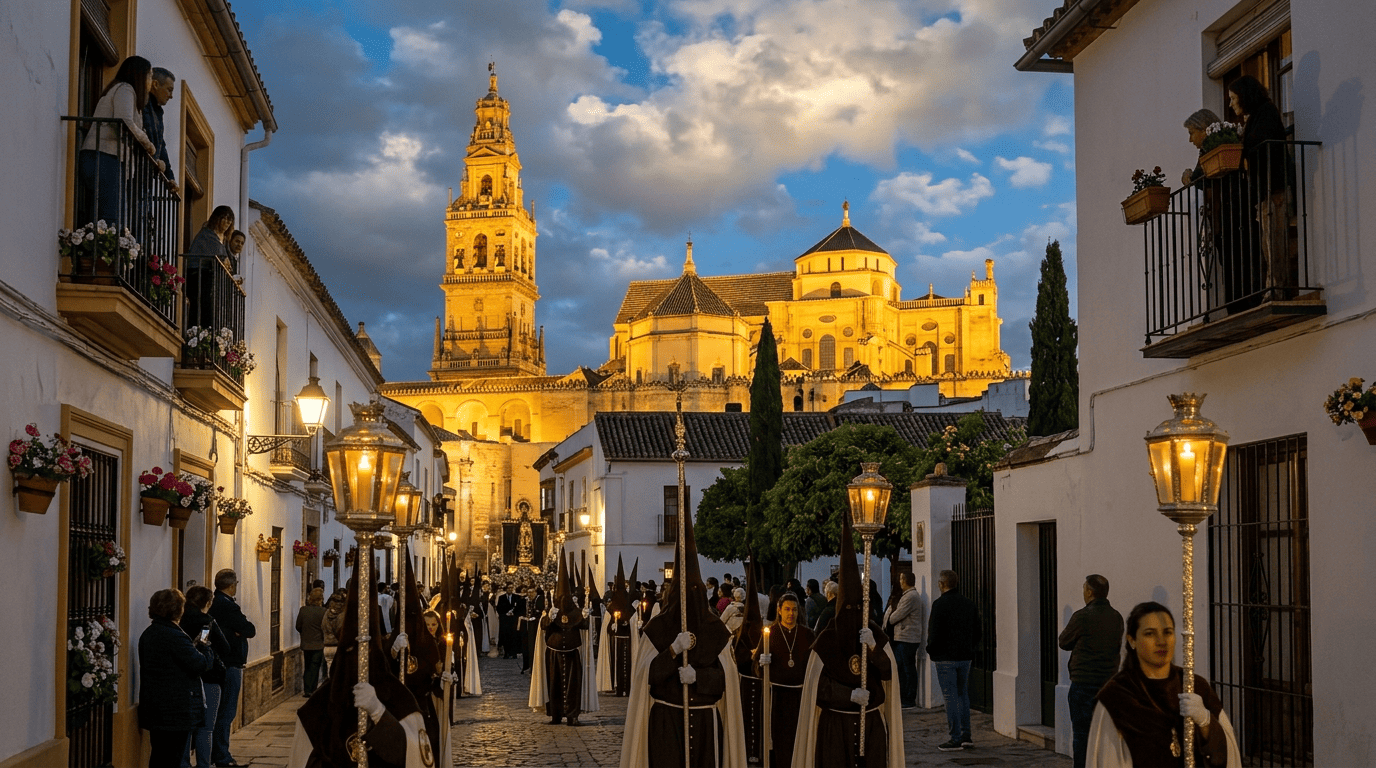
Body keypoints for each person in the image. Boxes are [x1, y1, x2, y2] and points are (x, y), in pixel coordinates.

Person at [620, 498, 746, 768]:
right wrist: (673, 651)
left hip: (704, 723)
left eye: (694, 594)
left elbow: (726, 681)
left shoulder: (716, 632)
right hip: (666, 721)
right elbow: (647, 677)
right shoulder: (657, 629)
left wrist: (697, 676)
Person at [792, 510, 903, 767]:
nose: (854, 615)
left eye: (858, 609)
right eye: (849, 610)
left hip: (871, 725)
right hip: (836, 728)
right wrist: (849, 695)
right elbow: (817, 689)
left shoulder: (873, 632)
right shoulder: (826, 640)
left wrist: (874, 650)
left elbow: (889, 674)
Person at [1088, 601, 1241, 767]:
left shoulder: (1196, 687)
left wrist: (1206, 722)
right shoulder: (1117, 697)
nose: (1161, 641)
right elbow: (1108, 760)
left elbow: (1230, 756)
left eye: (1167, 632)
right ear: (1132, 641)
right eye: (1150, 634)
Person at [1228, 75, 1293, 296]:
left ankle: (1276, 287)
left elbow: (1262, 146)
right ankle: (1272, 286)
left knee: (1274, 241)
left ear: (1244, 96)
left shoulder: (1266, 112)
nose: (1231, 103)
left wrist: (1241, 148)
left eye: (1233, 98)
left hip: (1273, 188)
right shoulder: (1257, 115)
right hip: (1264, 190)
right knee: (1268, 242)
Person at [78, 56, 159, 228]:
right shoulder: (125, 89)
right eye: (150, 75)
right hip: (104, 156)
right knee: (111, 215)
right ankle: (104, 251)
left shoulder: (125, 92)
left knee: (108, 213)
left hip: (104, 157)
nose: (151, 81)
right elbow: (125, 122)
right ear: (140, 75)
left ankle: (98, 247)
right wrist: (147, 143)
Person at [139, 589, 213, 768]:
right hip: (175, 711)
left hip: (155, 707)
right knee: (172, 758)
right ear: (178, 609)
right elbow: (199, 665)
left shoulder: (149, 633)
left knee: (159, 756)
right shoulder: (175, 636)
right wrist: (204, 647)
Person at [1058, 574, 1125, 768]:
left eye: (1084, 589)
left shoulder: (1082, 616)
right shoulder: (1116, 617)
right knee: (1104, 736)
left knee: (1082, 735)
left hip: (1083, 683)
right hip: (1108, 682)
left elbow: (1064, 641)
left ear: (1089, 592)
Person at [756, 591, 814, 768]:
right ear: (779, 610)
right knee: (779, 739)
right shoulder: (770, 633)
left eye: (794, 610)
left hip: (800, 696)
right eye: (787, 609)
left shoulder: (808, 634)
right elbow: (756, 667)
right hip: (777, 697)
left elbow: (815, 665)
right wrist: (761, 664)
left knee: (799, 738)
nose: (791, 614)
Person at [531, 555, 589, 725]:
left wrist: (585, 617)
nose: (564, 601)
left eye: (567, 598)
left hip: (571, 653)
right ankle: (555, 714)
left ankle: (572, 715)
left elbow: (583, 626)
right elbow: (543, 626)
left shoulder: (576, 611)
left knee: (573, 686)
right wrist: (549, 617)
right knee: (554, 685)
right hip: (554, 654)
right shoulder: (551, 609)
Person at [927, 569, 981, 752]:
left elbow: (933, 632)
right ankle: (966, 735)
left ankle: (955, 738)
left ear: (942, 584)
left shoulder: (939, 604)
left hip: (945, 658)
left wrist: (931, 650)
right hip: (965, 657)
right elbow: (977, 632)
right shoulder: (969, 604)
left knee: (950, 697)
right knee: (962, 695)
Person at [208, 568, 255, 768]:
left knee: (220, 711)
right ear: (231, 585)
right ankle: (222, 756)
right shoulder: (227, 606)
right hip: (230, 665)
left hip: (221, 664)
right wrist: (237, 632)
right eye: (235, 583)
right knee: (226, 712)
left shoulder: (213, 604)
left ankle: (216, 752)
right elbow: (249, 629)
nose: (236, 586)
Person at [178, 586, 230, 768]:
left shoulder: (179, 620)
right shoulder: (206, 622)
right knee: (206, 728)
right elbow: (220, 646)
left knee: (186, 728)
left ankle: (184, 763)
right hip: (208, 677)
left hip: (184, 678)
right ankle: (203, 764)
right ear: (207, 603)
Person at [882, 571, 923, 710]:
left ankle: (909, 698)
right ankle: (903, 696)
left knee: (907, 669)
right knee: (901, 667)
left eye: (901, 579)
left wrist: (890, 617)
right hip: (903, 638)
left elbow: (895, 617)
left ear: (905, 581)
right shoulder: (908, 596)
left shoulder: (910, 597)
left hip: (907, 638)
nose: (899, 582)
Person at [142, 67, 175, 184]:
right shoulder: (142, 102)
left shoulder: (158, 112)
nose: (171, 96)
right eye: (169, 90)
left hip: (145, 177)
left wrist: (170, 177)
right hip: (137, 172)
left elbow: (161, 145)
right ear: (155, 84)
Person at [297, 588, 327, 695]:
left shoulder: (303, 610)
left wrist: (305, 633)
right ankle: (312, 689)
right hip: (318, 644)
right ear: (320, 599)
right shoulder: (323, 612)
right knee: (315, 666)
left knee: (307, 666)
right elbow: (325, 628)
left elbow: (298, 626)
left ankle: (307, 689)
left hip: (306, 643)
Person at [321, 590, 347, 671]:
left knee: (330, 671)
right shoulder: (341, 615)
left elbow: (322, 626)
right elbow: (340, 631)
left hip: (327, 646)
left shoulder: (326, 613)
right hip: (337, 646)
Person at [496, 583, 522, 659]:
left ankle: (514, 653)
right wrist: (505, 614)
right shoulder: (501, 598)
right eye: (508, 588)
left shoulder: (517, 597)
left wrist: (513, 613)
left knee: (514, 637)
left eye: (511, 588)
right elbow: (499, 608)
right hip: (505, 621)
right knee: (506, 637)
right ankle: (506, 653)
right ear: (506, 589)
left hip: (513, 620)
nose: (510, 589)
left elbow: (519, 608)